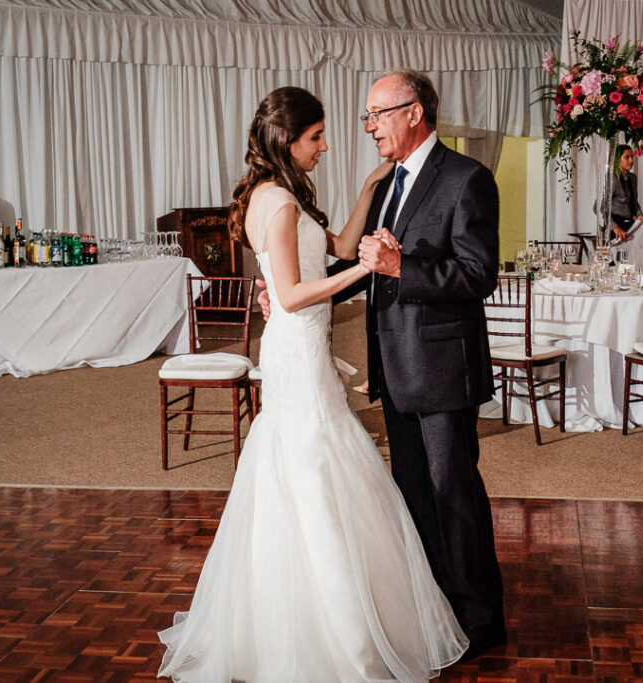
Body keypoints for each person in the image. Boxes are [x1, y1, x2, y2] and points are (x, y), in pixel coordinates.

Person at [158, 87, 467, 681]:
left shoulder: (283, 196)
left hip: (306, 352)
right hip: (296, 353)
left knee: (320, 471)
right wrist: (368, 269)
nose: (325, 146)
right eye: (316, 137)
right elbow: (296, 295)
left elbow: (340, 245)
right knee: (314, 471)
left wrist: (369, 190)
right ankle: (335, 633)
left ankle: (331, 610)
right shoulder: (275, 203)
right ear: (287, 140)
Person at [355, 70, 506, 659]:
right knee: (413, 494)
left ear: (414, 112)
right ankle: (435, 608)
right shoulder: (388, 183)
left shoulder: (468, 179)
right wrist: (295, 296)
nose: (369, 126)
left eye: (377, 113)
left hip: (442, 370)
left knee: (454, 496)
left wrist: (403, 271)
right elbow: (372, 262)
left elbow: (478, 274)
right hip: (394, 367)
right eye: (366, 116)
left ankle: (481, 621)